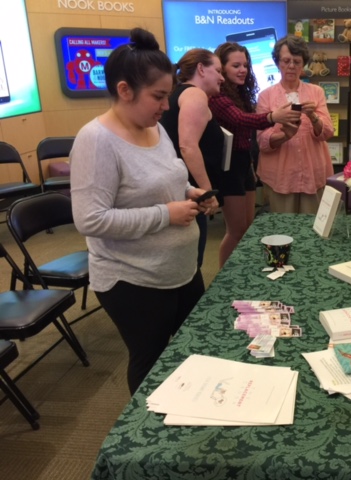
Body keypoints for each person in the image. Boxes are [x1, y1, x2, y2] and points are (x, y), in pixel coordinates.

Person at [70, 28, 216, 395]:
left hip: (180, 270)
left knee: (194, 349)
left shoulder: (154, 128)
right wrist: (165, 214)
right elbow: (90, 219)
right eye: (159, 96)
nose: (166, 106)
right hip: (134, 280)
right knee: (151, 366)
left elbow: (168, 177)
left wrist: (191, 192)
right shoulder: (96, 140)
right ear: (124, 90)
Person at [210, 42, 301, 267]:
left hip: (244, 163)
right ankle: (224, 276)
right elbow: (241, 120)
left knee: (246, 228)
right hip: (229, 167)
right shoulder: (217, 96)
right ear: (221, 68)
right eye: (236, 66)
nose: (243, 70)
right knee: (235, 231)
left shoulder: (241, 93)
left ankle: (239, 270)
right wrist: (272, 117)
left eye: (245, 65)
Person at [160, 48, 225, 267]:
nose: (222, 78)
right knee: (190, 262)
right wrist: (207, 192)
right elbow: (188, 146)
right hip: (189, 193)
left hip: (181, 189)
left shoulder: (180, 93)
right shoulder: (195, 94)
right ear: (201, 69)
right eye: (218, 71)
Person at [256, 35, 334, 214]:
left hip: (312, 172)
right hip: (280, 175)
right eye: (286, 61)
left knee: (312, 225)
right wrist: (284, 135)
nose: (291, 66)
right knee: (283, 226)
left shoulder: (316, 92)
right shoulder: (265, 96)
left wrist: (313, 116)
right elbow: (262, 142)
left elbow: (328, 132)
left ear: (303, 64)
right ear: (277, 63)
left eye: (297, 61)